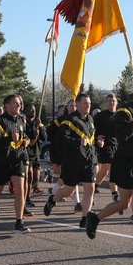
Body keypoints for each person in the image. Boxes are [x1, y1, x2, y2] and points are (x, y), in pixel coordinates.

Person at [84, 82, 133, 256]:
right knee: (123, 203)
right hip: (125, 160)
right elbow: (123, 137)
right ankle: (94, 218)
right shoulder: (124, 112)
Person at [43, 92, 98, 229]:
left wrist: (96, 156)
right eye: (85, 103)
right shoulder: (69, 120)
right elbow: (60, 139)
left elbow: (91, 141)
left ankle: (85, 218)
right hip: (73, 161)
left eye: (89, 104)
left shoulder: (90, 119)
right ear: (77, 104)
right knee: (69, 190)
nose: (88, 106)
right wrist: (77, 142)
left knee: (90, 189)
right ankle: (52, 199)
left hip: (88, 161)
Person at [0, 94, 32, 234]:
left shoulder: (21, 120)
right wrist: (10, 139)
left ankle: (19, 222)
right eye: (15, 103)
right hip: (2, 161)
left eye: (19, 103)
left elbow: (24, 135)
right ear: (7, 105)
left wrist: (26, 140)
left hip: (17, 160)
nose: (18, 105)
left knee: (20, 191)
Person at [93, 93, 120, 205]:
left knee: (104, 171)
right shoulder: (101, 116)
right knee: (110, 167)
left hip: (117, 146)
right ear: (106, 102)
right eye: (109, 100)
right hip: (104, 145)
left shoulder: (120, 115)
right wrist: (96, 137)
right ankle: (115, 194)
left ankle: (92, 188)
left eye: (113, 100)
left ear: (116, 102)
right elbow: (90, 128)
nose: (111, 102)